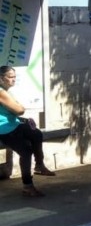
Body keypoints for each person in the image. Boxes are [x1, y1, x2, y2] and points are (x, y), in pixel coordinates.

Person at [0, 66, 55, 197]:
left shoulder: (5, 91)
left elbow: (14, 112)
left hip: (12, 125)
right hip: (4, 129)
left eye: (15, 76)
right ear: (1, 78)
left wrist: (22, 117)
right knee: (26, 150)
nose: (14, 79)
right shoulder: (1, 92)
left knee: (35, 132)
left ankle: (39, 165)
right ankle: (28, 186)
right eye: (10, 77)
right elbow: (19, 109)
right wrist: (20, 109)